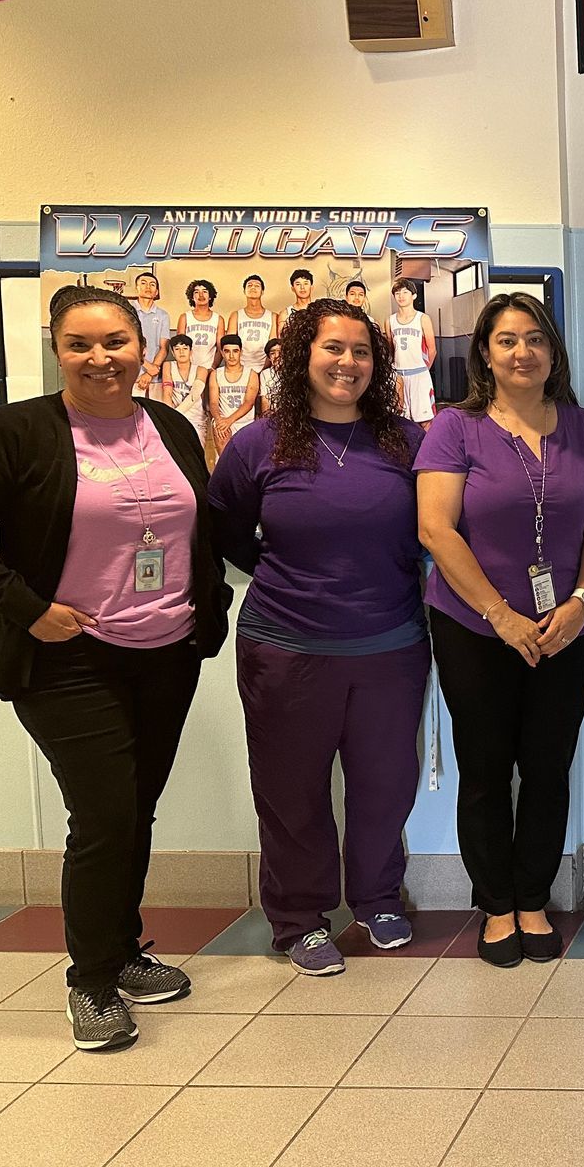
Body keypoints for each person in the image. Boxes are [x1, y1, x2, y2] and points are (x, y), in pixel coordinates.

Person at [0, 285, 230, 1051]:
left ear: (143, 347)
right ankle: (91, 982)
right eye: (80, 344)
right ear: (58, 350)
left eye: (115, 342)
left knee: (134, 810)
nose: (100, 358)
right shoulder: (18, 432)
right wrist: (25, 607)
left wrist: (211, 606)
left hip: (165, 654)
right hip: (67, 658)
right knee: (103, 816)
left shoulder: (169, 425)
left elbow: (199, 526)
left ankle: (122, 951)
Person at [208, 299, 430, 976]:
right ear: (302, 355)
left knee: (385, 783)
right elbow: (224, 529)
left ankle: (377, 898)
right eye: (333, 348)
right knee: (291, 789)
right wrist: (287, 577)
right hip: (286, 648)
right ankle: (299, 919)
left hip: (390, 645)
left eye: (362, 351)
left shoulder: (407, 442)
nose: (347, 363)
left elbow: (436, 529)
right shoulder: (258, 443)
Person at [417, 292, 584, 966]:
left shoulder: (580, 427)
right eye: (507, 340)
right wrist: (499, 615)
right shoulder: (456, 427)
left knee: (548, 767)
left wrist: (581, 602)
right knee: (484, 769)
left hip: (563, 629)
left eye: (535, 338)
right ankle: (496, 905)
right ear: (485, 353)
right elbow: (435, 529)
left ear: (553, 351)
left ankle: (534, 898)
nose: (522, 351)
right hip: (475, 629)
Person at [388, 280, 438, 424]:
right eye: (397, 293)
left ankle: (428, 441)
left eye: (405, 292)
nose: (401, 296)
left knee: (425, 421)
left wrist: (423, 370)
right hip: (399, 375)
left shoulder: (423, 318)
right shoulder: (390, 321)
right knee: (400, 420)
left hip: (419, 374)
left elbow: (432, 350)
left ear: (414, 295)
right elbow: (391, 350)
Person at [207, 333, 260, 449]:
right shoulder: (215, 374)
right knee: (220, 430)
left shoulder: (251, 374)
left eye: (235, 351)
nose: (231, 356)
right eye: (227, 351)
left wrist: (229, 421)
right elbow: (213, 403)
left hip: (245, 423)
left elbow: (249, 403)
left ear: (241, 352)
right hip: (223, 423)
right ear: (222, 353)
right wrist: (219, 420)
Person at [158, 333, 208, 437]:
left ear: (191, 351)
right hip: (174, 417)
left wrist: (176, 414)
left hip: (195, 419)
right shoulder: (168, 365)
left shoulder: (201, 370)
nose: (181, 352)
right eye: (177, 349)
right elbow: (167, 393)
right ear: (172, 352)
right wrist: (170, 416)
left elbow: (194, 395)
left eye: (185, 348)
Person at [133, 272, 171, 397]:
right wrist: (147, 366)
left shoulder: (163, 315)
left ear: (157, 292)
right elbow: (125, 344)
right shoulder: (127, 311)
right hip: (132, 376)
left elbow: (164, 347)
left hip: (155, 377)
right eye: (143, 283)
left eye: (152, 284)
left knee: (155, 409)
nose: (148, 287)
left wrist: (150, 372)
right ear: (137, 288)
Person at [176, 279, 222, 370]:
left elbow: (220, 348)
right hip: (188, 368)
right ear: (192, 297)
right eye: (196, 292)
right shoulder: (184, 317)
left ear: (210, 296)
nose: (201, 295)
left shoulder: (218, 319)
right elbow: (179, 345)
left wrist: (213, 367)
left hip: (209, 368)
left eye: (205, 291)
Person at [230, 274, 276, 365]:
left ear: (262, 291)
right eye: (249, 285)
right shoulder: (236, 315)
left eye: (257, 286)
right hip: (241, 365)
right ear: (244, 291)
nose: (253, 288)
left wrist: (264, 369)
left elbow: (273, 346)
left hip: (265, 366)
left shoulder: (273, 316)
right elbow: (230, 344)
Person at [258, 337, 283, 417]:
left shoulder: (293, 372)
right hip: (272, 416)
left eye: (280, 352)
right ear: (269, 357)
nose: (277, 356)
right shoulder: (265, 374)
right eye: (272, 353)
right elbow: (265, 400)